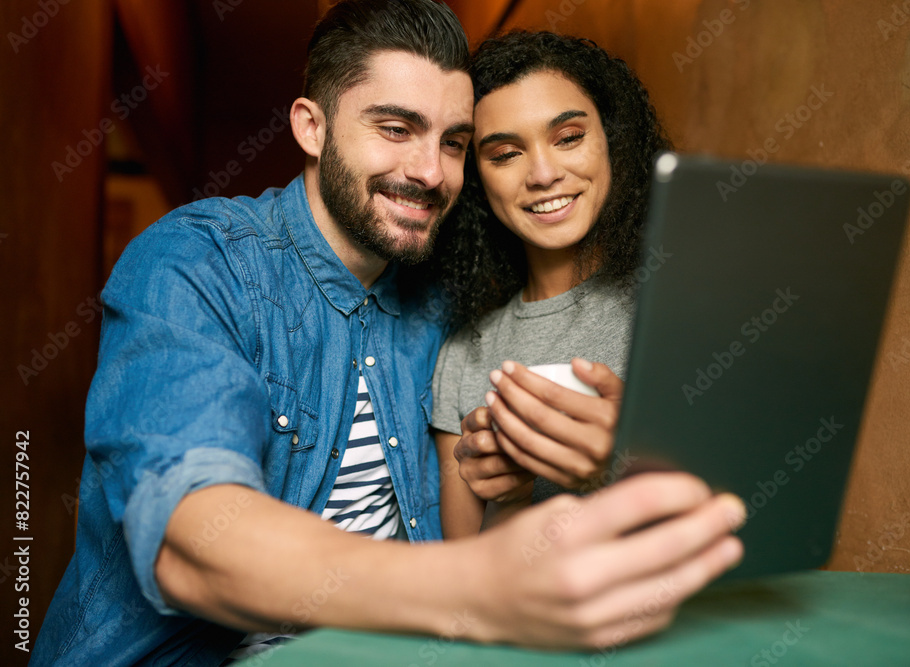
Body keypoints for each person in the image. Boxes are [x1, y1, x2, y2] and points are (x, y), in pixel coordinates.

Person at [32, 2, 745, 665]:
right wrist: (472, 587)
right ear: (311, 127)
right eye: (395, 128)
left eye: (455, 142)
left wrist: (533, 473)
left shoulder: (449, 299)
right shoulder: (197, 261)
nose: (430, 172)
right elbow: (194, 542)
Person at [431, 31, 669, 536]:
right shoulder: (465, 354)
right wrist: (513, 495)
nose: (542, 174)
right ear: (477, 179)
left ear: (613, 141)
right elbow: (465, 584)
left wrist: (624, 462)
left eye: (568, 138)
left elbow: (748, 520)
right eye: (505, 154)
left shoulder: (684, 308)